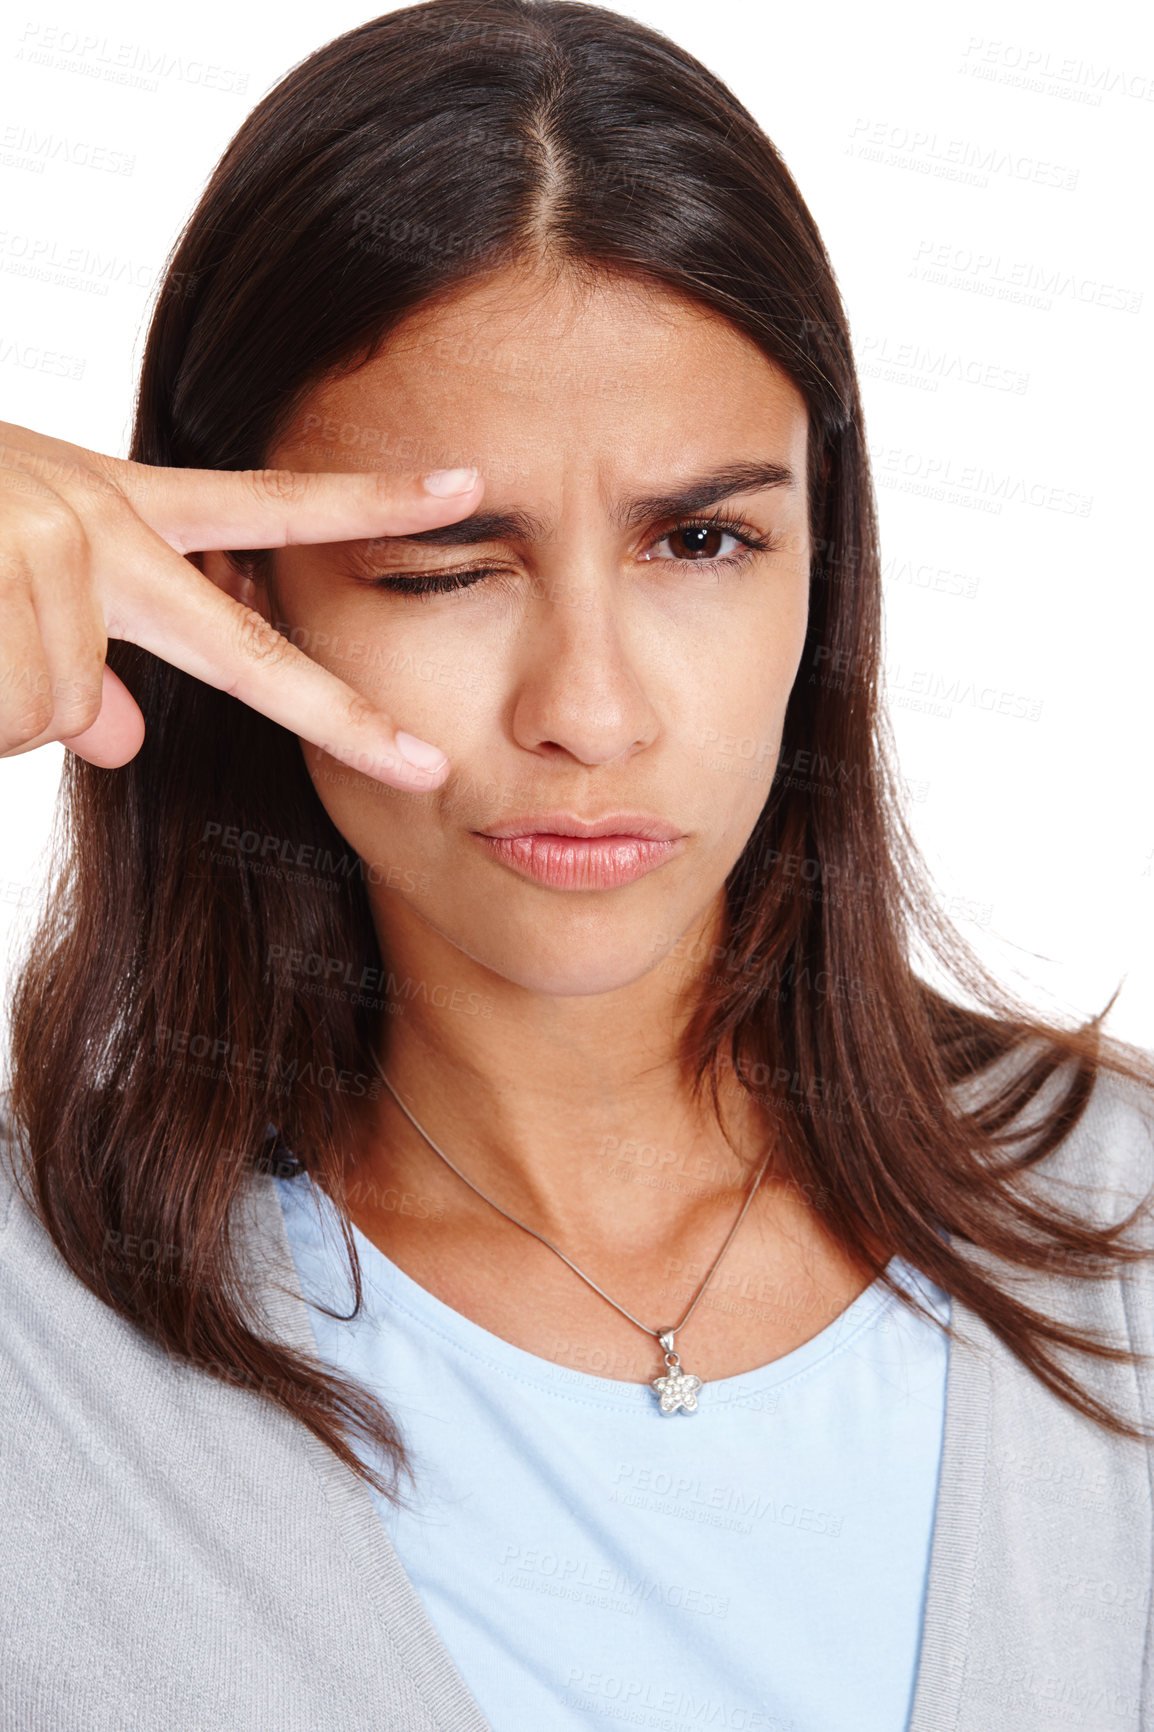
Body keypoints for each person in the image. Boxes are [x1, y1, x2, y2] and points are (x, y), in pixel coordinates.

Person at [1, 1, 1153, 1728]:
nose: (591, 712)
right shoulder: (44, 1344)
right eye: (444, 565)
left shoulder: (1112, 1227)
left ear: (818, 568)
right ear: (231, 592)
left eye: (700, 540)